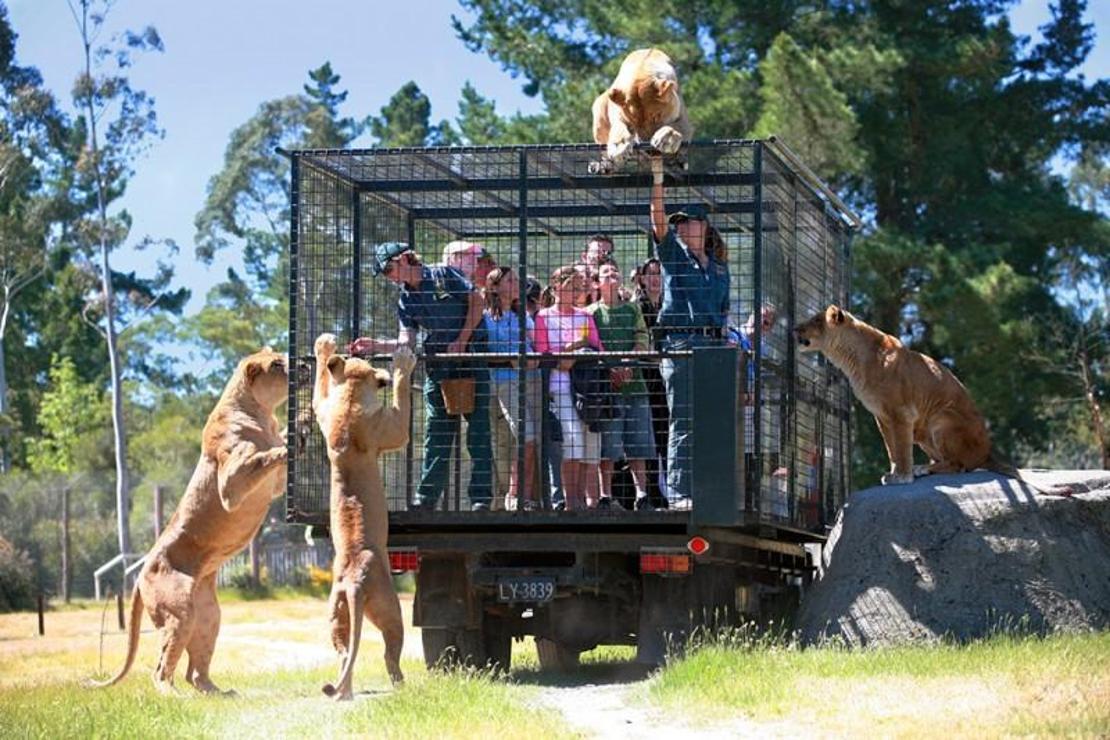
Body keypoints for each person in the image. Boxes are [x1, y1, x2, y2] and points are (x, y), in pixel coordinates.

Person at [350, 242, 492, 512]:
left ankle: (481, 499)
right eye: (385, 273)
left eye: (390, 269)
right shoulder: (405, 299)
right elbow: (407, 342)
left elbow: (478, 301)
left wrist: (462, 340)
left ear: (404, 259)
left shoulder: (444, 275)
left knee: (479, 432)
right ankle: (426, 500)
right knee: (437, 433)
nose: (389, 276)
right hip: (439, 367)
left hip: (472, 358)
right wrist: (376, 345)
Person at [649, 156, 731, 510]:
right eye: (679, 223)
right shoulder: (674, 257)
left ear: (704, 226)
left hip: (713, 348)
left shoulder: (720, 269)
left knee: (710, 424)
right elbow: (657, 221)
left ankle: (710, 491)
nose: (682, 228)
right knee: (682, 420)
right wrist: (657, 179)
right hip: (680, 345)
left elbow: (724, 313)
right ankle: (680, 494)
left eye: (689, 222)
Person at [587, 261, 657, 511]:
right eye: (605, 273)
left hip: (635, 385)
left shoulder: (632, 310)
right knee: (609, 446)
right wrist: (610, 369)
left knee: (639, 444)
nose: (611, 276)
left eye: (615, 272)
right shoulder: (591, 313)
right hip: (607, 389)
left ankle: (642, 495)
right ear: (596, 282)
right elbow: (591, 346)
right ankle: (605, 495)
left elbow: (642, 338)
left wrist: (627, 364)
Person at [534, 265, 604, 510]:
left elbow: (598, 349)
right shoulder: (543, 317)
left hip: (585, 388)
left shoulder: (585, 316)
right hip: (559, 387)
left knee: (587, 443)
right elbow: (543, 353)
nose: (576, 291)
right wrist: (572, 349)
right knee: (572, 439)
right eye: (570, 286)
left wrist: (572, 355)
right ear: (556, 287)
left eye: (578, 287)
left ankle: (583, 498)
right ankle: (570, 498)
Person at [482, 266, 541, 511]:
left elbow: (533, 348)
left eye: (517, 280)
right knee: (499, 443)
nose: (516, 284)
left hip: (526, 382)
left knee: (527, 438)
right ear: (494, 287)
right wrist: (510, 359)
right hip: (495, 383)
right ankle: (499, 497)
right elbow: (482, 352)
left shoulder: (523, 317)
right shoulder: (483, 317)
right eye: (510, 280)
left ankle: (520, 496)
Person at [631, 257, 670, 510]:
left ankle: (669, 491)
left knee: (666, 434)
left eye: (659, 273)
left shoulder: (671, 306)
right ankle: (650, 493)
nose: (655, 278)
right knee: (648, 436)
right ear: (642, 279)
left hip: (667, 376)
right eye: (651, 274)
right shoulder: (637, 307)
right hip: (645, 377)